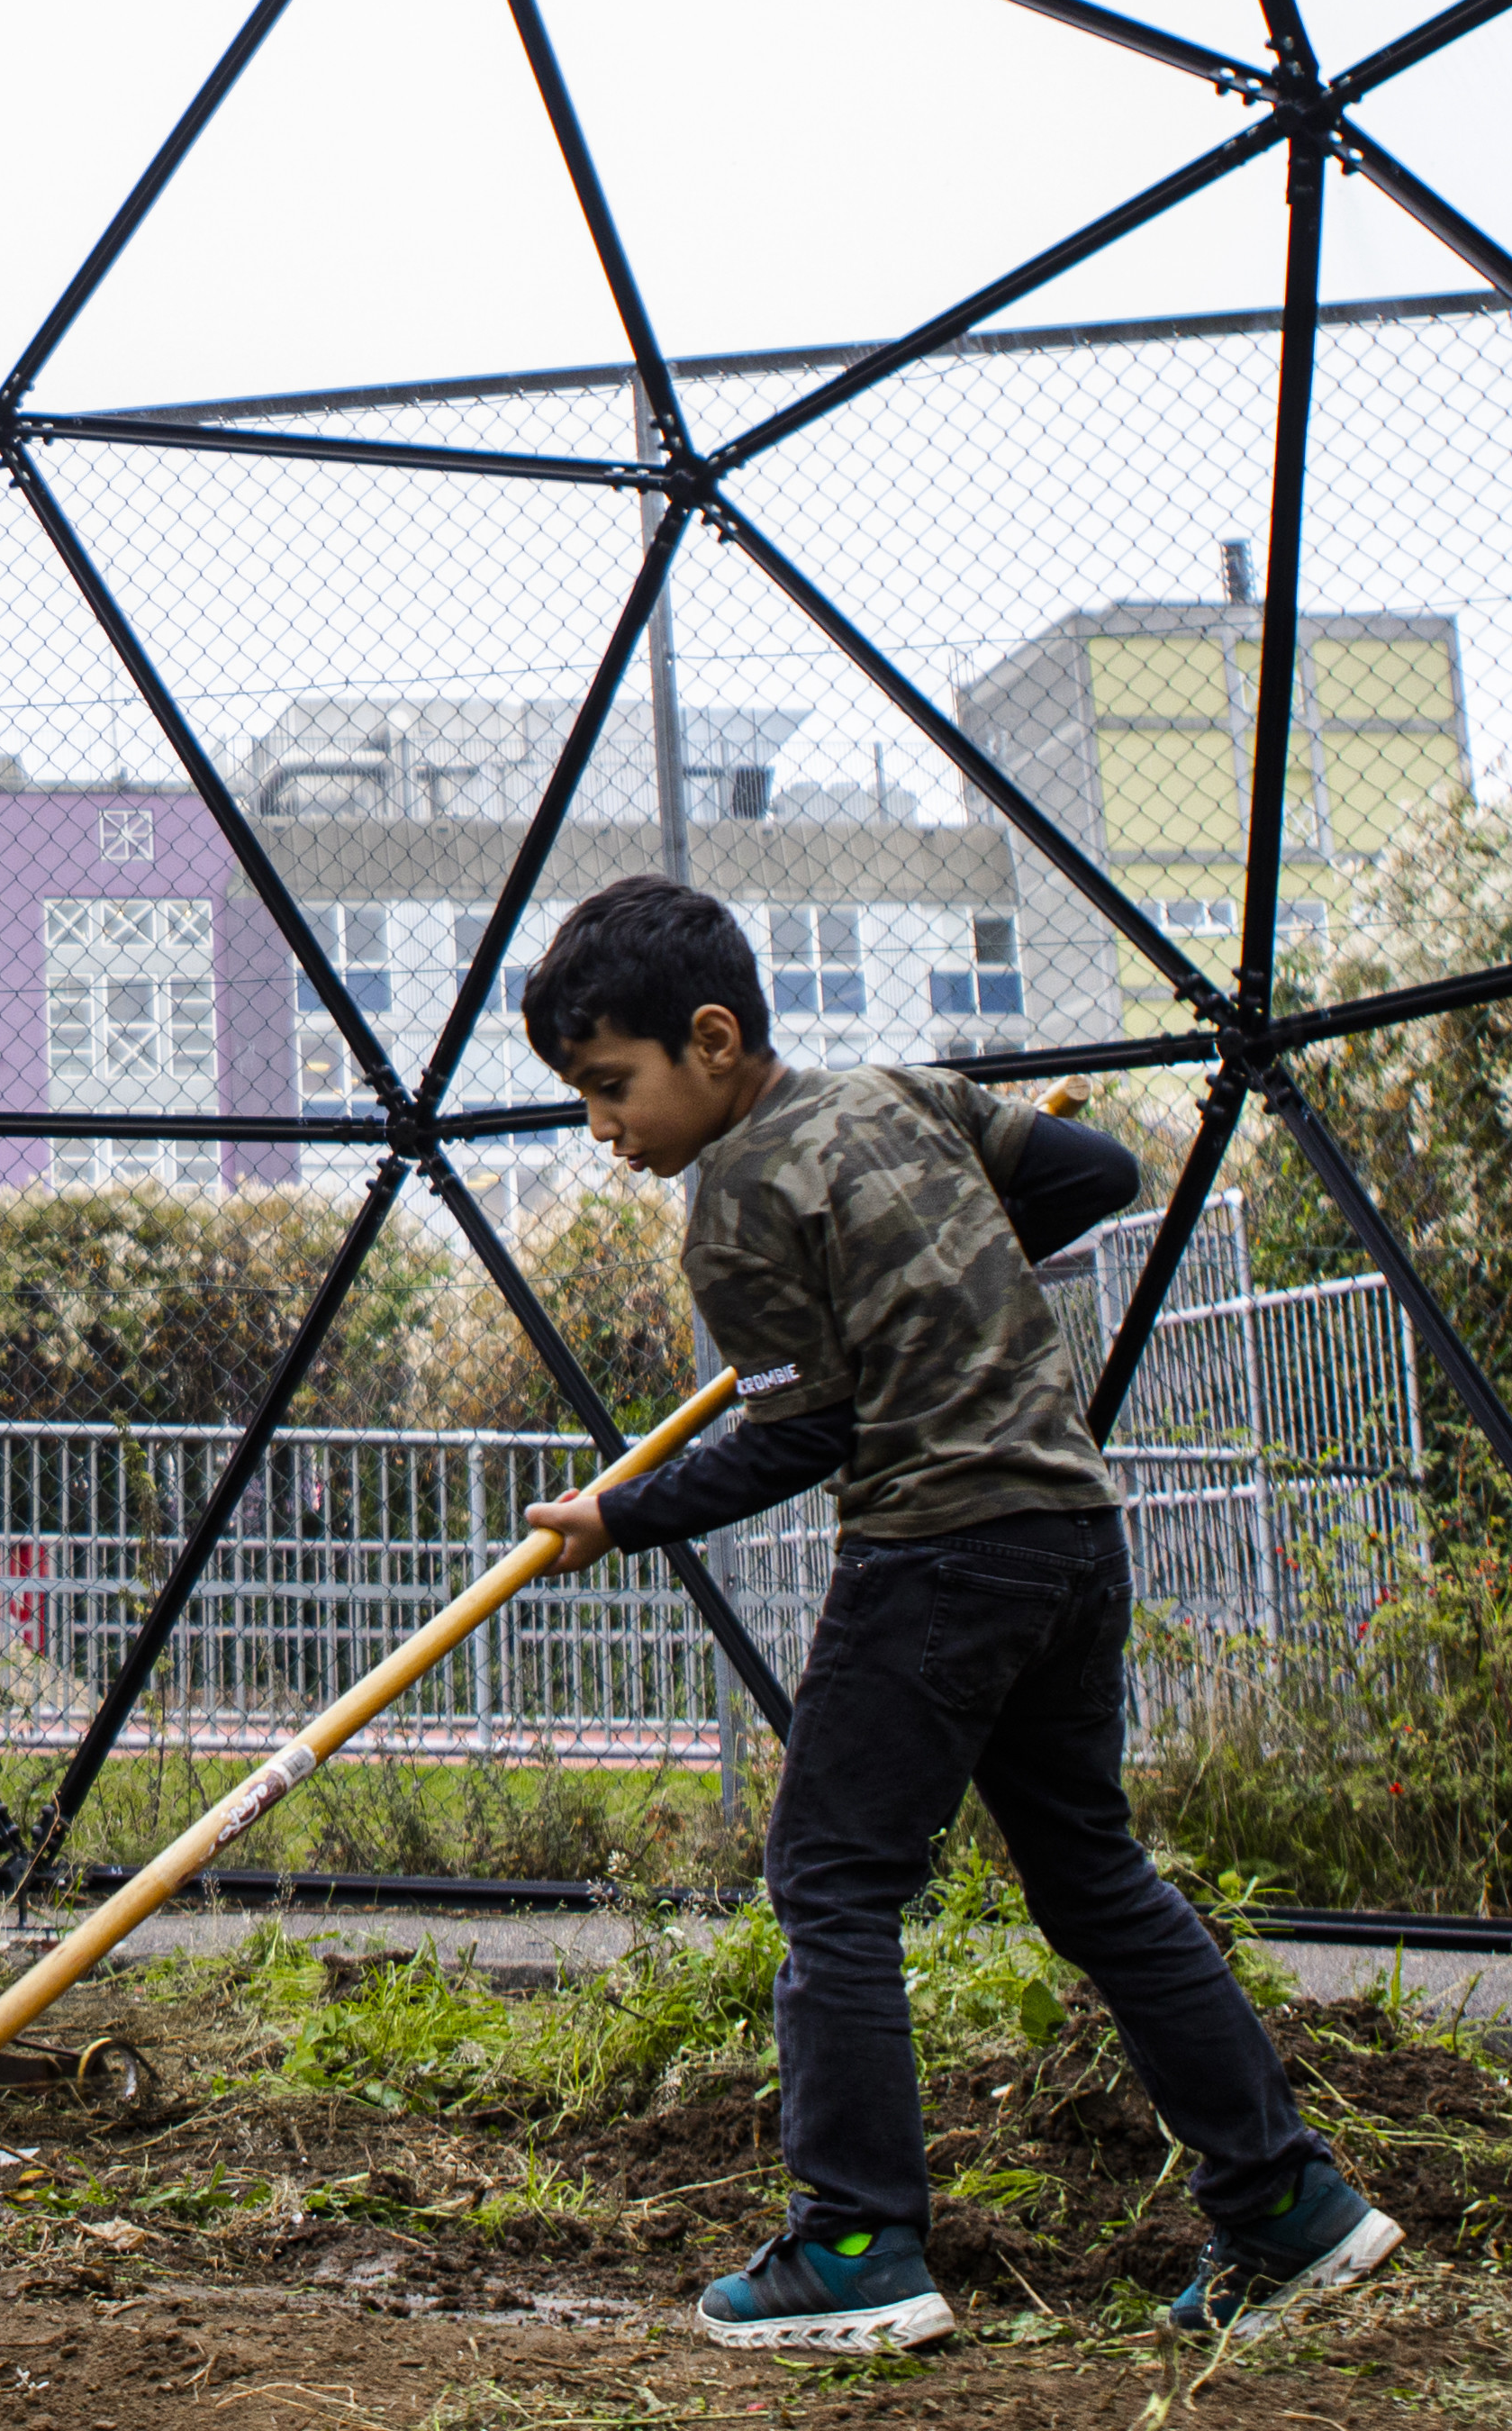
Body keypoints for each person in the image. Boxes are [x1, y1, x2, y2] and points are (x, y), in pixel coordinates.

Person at [512, 875, 1396, 2353]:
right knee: (1090, 1875)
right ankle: (1284, 2204)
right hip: (1064, 1534)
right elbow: (1093, 1174)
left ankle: (852, 2242)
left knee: (831, 1880)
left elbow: (805, 1432)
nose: (602, 1126)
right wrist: (943, 1251)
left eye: (611, 1086)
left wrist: (620, 1514)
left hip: (931, 1552)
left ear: (712, 1040)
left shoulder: (732, 1203)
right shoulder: (904, 1092)